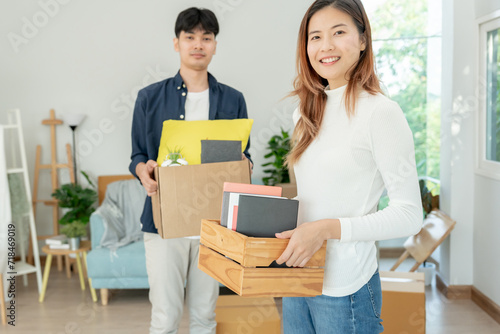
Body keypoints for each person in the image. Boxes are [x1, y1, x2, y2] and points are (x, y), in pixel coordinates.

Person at [275, 0, 423, 333]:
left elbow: (410, 215)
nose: (325, 45)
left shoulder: (380, 113)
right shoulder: (304, 112)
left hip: (346, 288)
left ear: (362, 39)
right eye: (315, 37)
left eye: (338, 32)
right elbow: (318, 194)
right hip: (298, 273)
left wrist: (327, 229)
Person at [129, 7, 251, 334]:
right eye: (190, 37)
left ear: (214, 45)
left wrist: (245, 164)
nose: (198, 44)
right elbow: (137, 155)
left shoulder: (233, 100)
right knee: (165, 316)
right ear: (176, 43)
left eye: (206, 38)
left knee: (204, 315)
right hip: (164, 220)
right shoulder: (149, 98)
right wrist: (144, 171)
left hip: (213, 223)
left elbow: (243, 156)